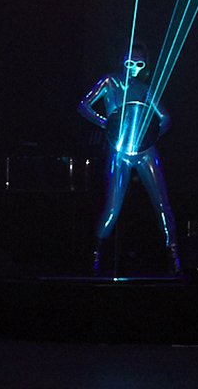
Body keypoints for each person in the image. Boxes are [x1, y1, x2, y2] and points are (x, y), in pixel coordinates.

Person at [77, 42, 181, 275]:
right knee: (113, 208)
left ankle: (174, 255)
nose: (133, 68)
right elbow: (84, 106)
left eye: (139, 64)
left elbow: (166, 119)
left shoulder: (145, 89)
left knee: (162, 203)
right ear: (122, 60)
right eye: (130, 62)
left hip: (145, 151)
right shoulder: (109, 82)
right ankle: (95, 257)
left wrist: (150, 136)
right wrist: (107, 124)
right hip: (119, 150)